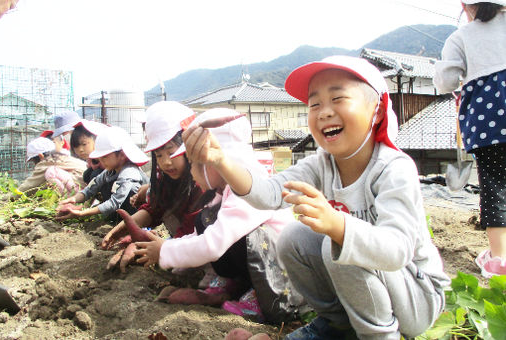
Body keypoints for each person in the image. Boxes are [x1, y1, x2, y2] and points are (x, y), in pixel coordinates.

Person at [182, 57, 450, 338]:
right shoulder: (322, 164)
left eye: (338, 98)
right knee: (293, 239)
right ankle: (337, 325)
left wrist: (338, 225)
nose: (324, 112)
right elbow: (270, 194)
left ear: (378, 110)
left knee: (338, 247)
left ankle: (379, 335)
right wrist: (221, 160)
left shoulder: (393, 168)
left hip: (417, 297)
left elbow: (398, 251)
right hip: (369, 290)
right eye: (315, 104)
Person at [134, 108, 304, 324]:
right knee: (204, 219)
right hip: (258, 265)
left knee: (251, 236)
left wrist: (165, 250)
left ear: (213, 161)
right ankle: (234, 284)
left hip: (287, 278)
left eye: (194, 163)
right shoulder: (220, 194)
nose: (192, 172)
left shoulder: (248, 190)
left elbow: (213, 244)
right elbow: (198, 236)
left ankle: (265, 299)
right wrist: (168, 256)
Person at [434, 0, 506, 278]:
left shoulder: (461, 36)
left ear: (465, 5)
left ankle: (499, 260)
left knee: (496, 183)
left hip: (489, 119)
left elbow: (446, 81)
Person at [101, 101, 207, 273]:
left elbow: (191, 227)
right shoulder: (167, 178)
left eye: (172, 152)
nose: (165, 162)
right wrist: (127, 227)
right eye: (158, 155)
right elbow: (155, 209)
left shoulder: (202, 183)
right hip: (183, 240)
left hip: (202, 246)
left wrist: (158, 249)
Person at [57, 126, 149, 222]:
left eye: (104, 157)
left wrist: (82, 213)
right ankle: (115, 218)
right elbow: (90, 189)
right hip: (119, 208)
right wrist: (73, 199)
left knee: (131, 190)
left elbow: (114, 202)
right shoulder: (109, 171)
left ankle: (132, 221)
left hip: (140, 212)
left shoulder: (129, 172)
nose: (101, 161)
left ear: (121, 155)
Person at [18, 137, 86, 195]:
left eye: (34, 161)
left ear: (40, 156)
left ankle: (69, 201)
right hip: (87, 189)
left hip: (80, 192)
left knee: (51, 173)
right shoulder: (63, 157)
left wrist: (8, 197)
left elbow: (29, 186)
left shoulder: (46, 163)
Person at [70, 119, 108, 185]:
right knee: (87, 175)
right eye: (76, 146)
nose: (80, 150)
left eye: (84, 144)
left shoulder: (108, 156)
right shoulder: (90, 159)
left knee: (95, 175)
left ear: (96, 139)